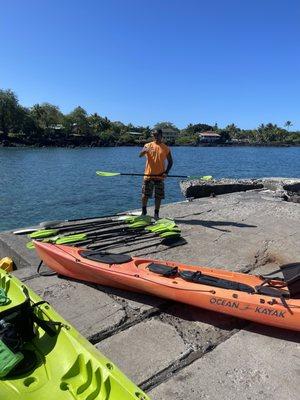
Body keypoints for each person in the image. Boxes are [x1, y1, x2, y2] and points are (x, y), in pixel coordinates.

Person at [139, 129, 173, 219]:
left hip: (160, 176)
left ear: (161, 135)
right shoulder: (148, 145)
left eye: (157, 135)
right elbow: (140, 155)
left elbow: (170, 162)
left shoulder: (166, 148)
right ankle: (144, 212)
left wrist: (166, 172)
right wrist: (144, 151)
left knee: (158, 196)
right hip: (148, 175)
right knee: (145, 195)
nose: (155, 137)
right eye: (154, 135)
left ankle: (156, 213)